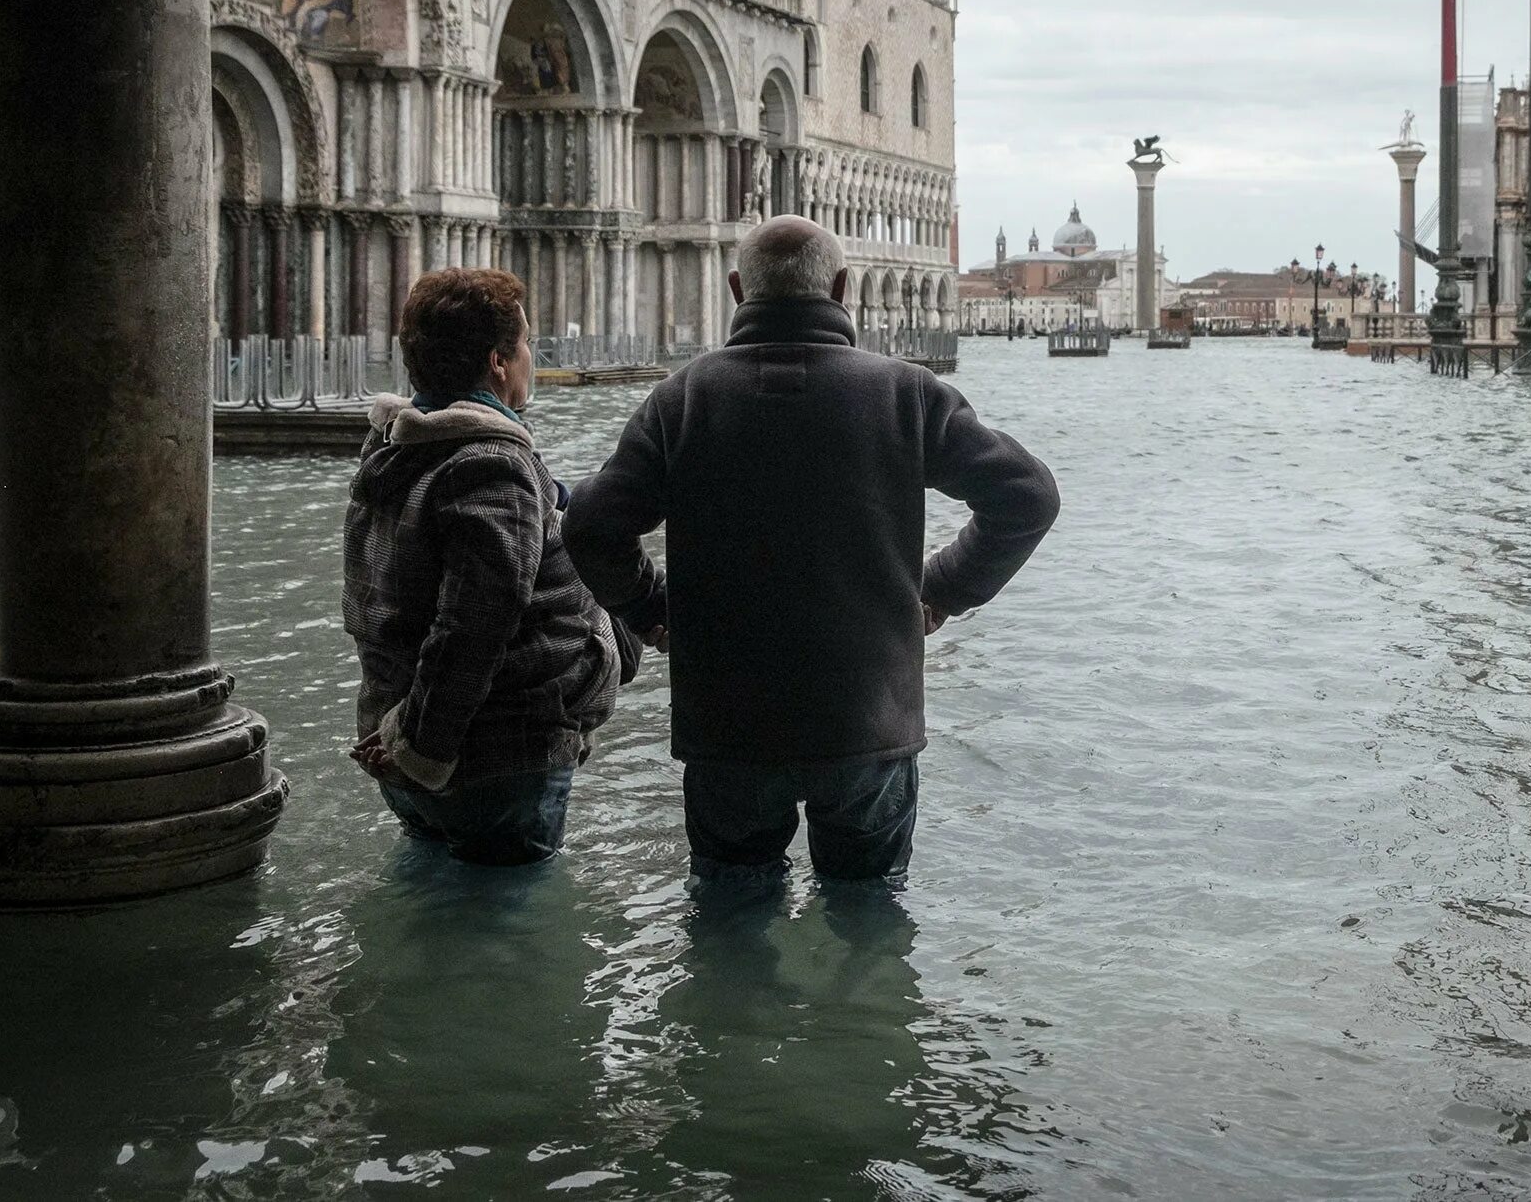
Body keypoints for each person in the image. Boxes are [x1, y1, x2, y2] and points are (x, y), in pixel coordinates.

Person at [565, 217, 1059, 885]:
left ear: (738, 289)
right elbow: (1026, 496)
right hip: (867, 720)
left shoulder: (682, 399)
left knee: (732, 915)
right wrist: (940, 590)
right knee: (867, 915)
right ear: (843, 287)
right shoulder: (907, 393)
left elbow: (591, 525)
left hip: (728, 726)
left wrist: (653, 609)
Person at [344, 267, 663, 865]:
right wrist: (421, 750)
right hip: (491, 758)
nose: (529, 360)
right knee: (504, 928)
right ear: (497, 362)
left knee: (437, 899)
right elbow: (473, 626)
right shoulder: (492, 464)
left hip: (396, 739)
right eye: (525, 346)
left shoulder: (391, 452)